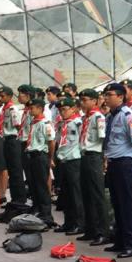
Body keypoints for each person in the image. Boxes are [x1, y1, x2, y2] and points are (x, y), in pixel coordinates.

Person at [102, 82, 132, 258]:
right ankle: (119, 240)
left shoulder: (128, 116)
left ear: (120, 96)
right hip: (113, 163)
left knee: (128, 205)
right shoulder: (110, 116)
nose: (106, 98)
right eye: (105, 95)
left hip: (126, 163)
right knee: (117, 203)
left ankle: (130, 244)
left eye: (109, 95)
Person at [77, 89, 110, 244]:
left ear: (95, 101)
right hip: (83, 156)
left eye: (85, 99)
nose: (82, 103)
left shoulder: (98, 117)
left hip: (94, 156)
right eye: (81, 100)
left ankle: (102, 231)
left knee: (97, 195)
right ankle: (90, 229)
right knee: (86, 194)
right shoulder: (85, 118)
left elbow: (103, 140)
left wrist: (104, 159)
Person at [52, 97, 85, 235]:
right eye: (60, 110)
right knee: (65, 193)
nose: (63, 112)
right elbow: (58, 141)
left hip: (74, 161)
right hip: (62, 160)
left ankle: (79, 224)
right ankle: (68, 222)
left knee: (75, 193)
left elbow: (82, 141)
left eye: (65, 109)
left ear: (73, 109)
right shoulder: (61, 124)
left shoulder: (78, 123)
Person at [23, 98, 55, 224]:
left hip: (41, 155)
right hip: (31, 155)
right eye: (29, 108)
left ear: (40, 108)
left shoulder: (45, 123)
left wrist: (50, 158)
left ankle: (46, 214)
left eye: (32, 108)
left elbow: (51, 142)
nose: (30, 110)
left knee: (42, 186)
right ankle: (37, 208)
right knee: (34, 185)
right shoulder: (34, 122)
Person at [0, 86, 27, 206]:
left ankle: (20, 198)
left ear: (10, 96)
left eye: (3, 96)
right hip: (6, 140)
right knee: (11, 170)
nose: (1, 98)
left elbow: (17, 126)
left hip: (13, 140)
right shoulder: (4, 109)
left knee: (16, 170)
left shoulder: (12, 109)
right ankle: (14, 197)